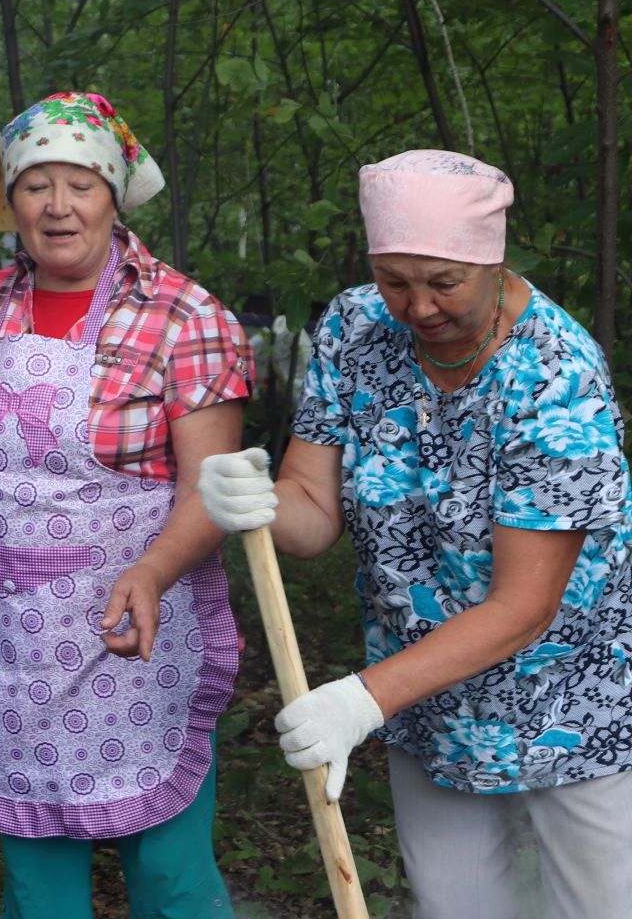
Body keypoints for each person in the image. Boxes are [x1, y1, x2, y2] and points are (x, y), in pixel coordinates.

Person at [198, 150, 632, 919]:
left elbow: (525, 605)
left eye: (442, 282)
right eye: (396, 280)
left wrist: (360, 701)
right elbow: (312, 512)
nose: (418, 306)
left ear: (492, 260)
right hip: (429, 712)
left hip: (574, 711)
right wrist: (258, 501)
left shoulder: (556, 374)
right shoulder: (354, 329)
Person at [0, 92, 249, 918]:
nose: (57, 206)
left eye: (79, 183)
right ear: (11, 202)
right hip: (4, 642)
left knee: (170, 880)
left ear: (115, 193)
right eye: (35, 185)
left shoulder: (186, 316)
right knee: (37, 891)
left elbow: (210, 491)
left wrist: (151, 572)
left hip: (132, 639)